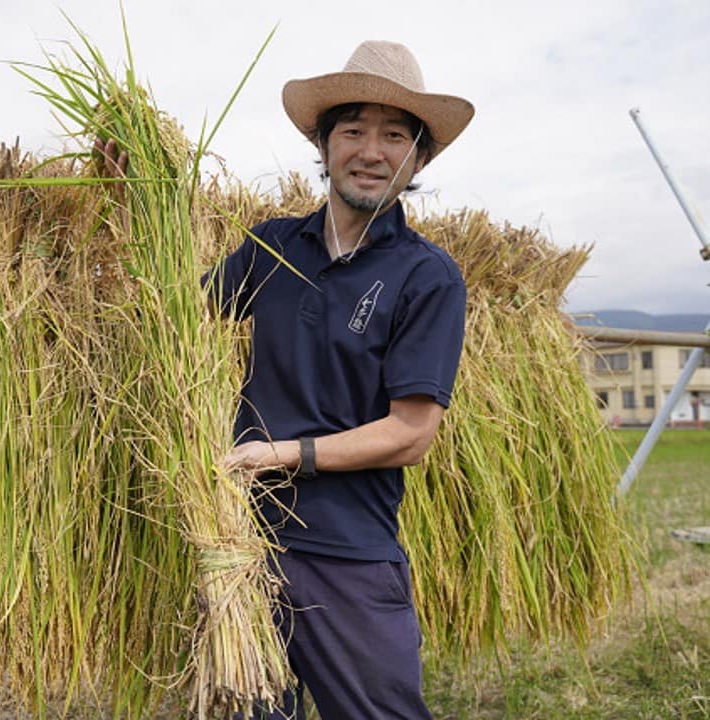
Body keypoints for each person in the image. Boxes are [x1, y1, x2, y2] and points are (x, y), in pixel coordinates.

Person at [98, 39, 472, 720]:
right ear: (324, 146)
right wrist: (135, 204)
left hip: (346, 555)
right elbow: (171, 318)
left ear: (418, 158)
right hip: (243, 544)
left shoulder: (427, 276)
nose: (371, 150)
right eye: (353, 130)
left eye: (394, 135)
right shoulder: (271, 246)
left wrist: (277, 455)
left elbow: (411, 433)